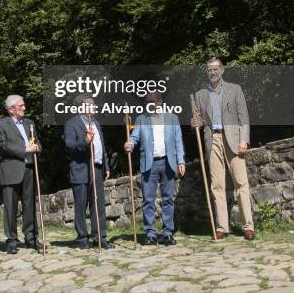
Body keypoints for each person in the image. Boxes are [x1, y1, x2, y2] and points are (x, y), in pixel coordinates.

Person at [191, 57, 254, 240]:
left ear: (222, 70)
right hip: (213, 139)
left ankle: (248, 226)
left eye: (215, 69)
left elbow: (244, 118)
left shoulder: (235, 89)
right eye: (209, 70)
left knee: (241, 182)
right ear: (206, 72)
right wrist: (196, 122)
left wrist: (244, 140)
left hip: (234, 139)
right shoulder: (200, 94)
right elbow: (200, 121)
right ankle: (222, 227)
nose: (212, 72)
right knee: (217, 185)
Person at [124, 91, 186, 245]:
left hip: (168, 162)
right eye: (147, 102)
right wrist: (129, 144)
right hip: (149, 164)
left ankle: (167, 233)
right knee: (148, 200)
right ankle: (150, 234)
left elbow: (178, 141)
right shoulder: (141, 119)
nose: (150, 105)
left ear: (160, 102)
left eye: (152, 102)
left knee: (168, 199)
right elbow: (134, 137)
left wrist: (181, 161)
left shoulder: (172, 118)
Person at [0, 94, 42, 254]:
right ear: (11, 109)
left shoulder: (29, 123)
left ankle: (31, 237)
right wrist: (25, 149)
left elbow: (37, 142)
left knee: (30, 205)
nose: (24, 108)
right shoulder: (0, 124)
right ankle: (11, 240)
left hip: (29, 169)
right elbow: (2, 146)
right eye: (21, 105)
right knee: (10, 207)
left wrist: (37, 147)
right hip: (11, 170)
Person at [64, 98, 115, 249]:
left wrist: (106, 166)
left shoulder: (96, 123)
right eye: (91, 105)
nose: (94, 107)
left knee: (98, 204)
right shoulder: (71, 124)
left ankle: (100, 237)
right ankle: (82, 239)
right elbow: (70, 146)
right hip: (81, 169)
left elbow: (102, 146)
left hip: (97, 168)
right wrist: (85, 141)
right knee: (80, 205)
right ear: (82, 108)